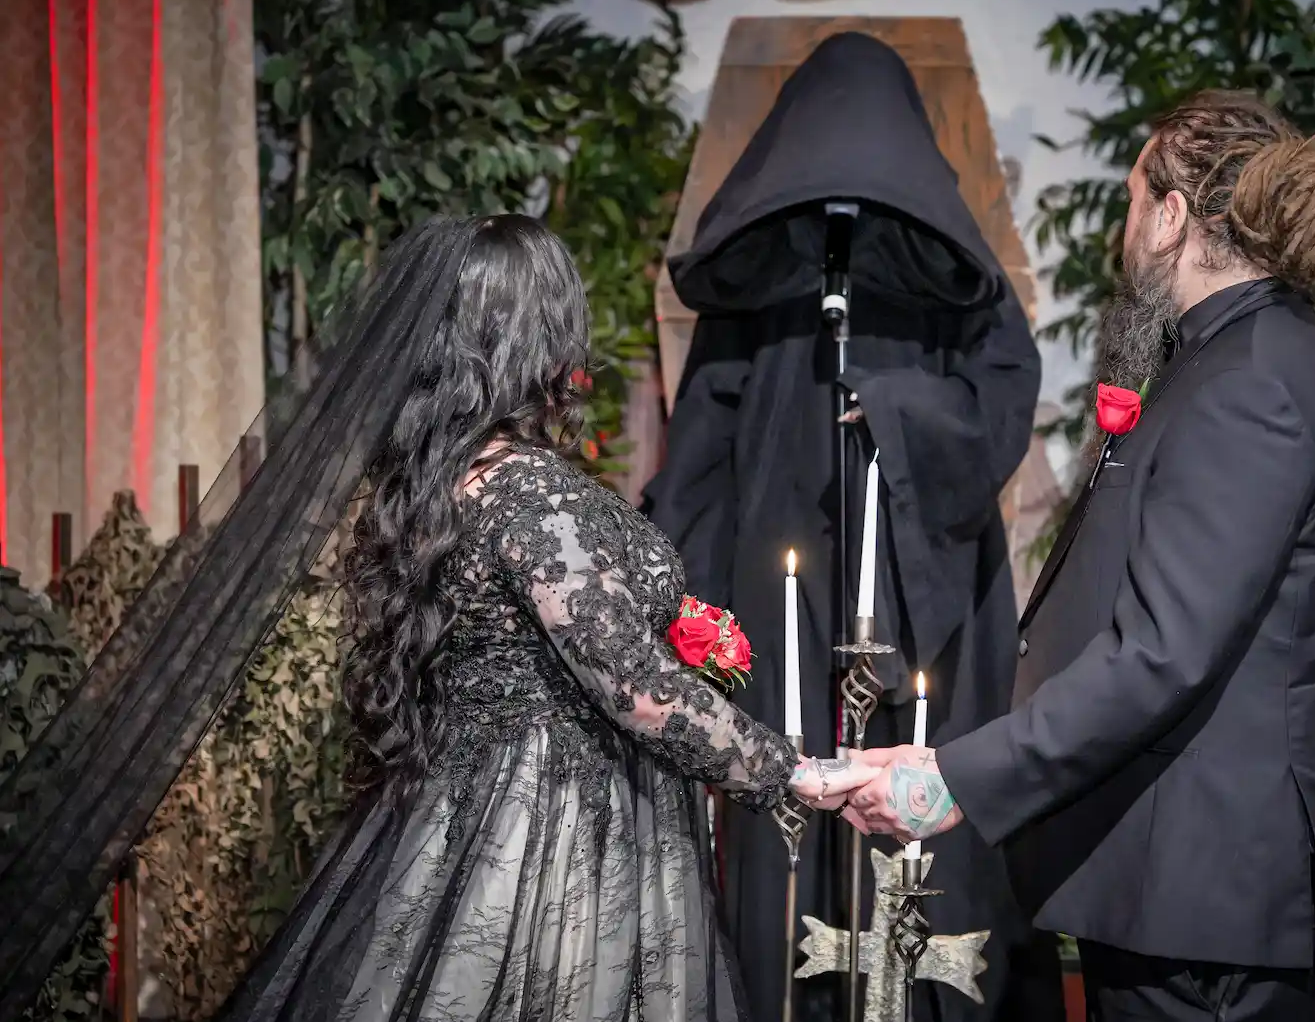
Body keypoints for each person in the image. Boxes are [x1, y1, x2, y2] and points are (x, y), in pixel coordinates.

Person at [0, 214, 872, 1021]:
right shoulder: (528, 491)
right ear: (539, 334)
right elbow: (635, 686)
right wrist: (794, 770)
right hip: (551, 842)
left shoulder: (447, 483)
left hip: (480, 819)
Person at [837, 91, 1315, 1022]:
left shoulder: (1253, 377)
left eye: (1135, 199)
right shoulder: (1244, 355)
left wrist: (952, 781)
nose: (1124, 229)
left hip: (1211, 915)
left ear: (1173, 215)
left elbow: (1163, 653)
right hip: (1183, 898)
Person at [642, 33, 1051, 1022]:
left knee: (917, 847)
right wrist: (673, 609)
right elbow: (697, 456)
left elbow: (997, 412)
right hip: (782, 594)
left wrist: (893, 406)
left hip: (924, 598)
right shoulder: (756, 284)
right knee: (788, 834)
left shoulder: (956, 278)